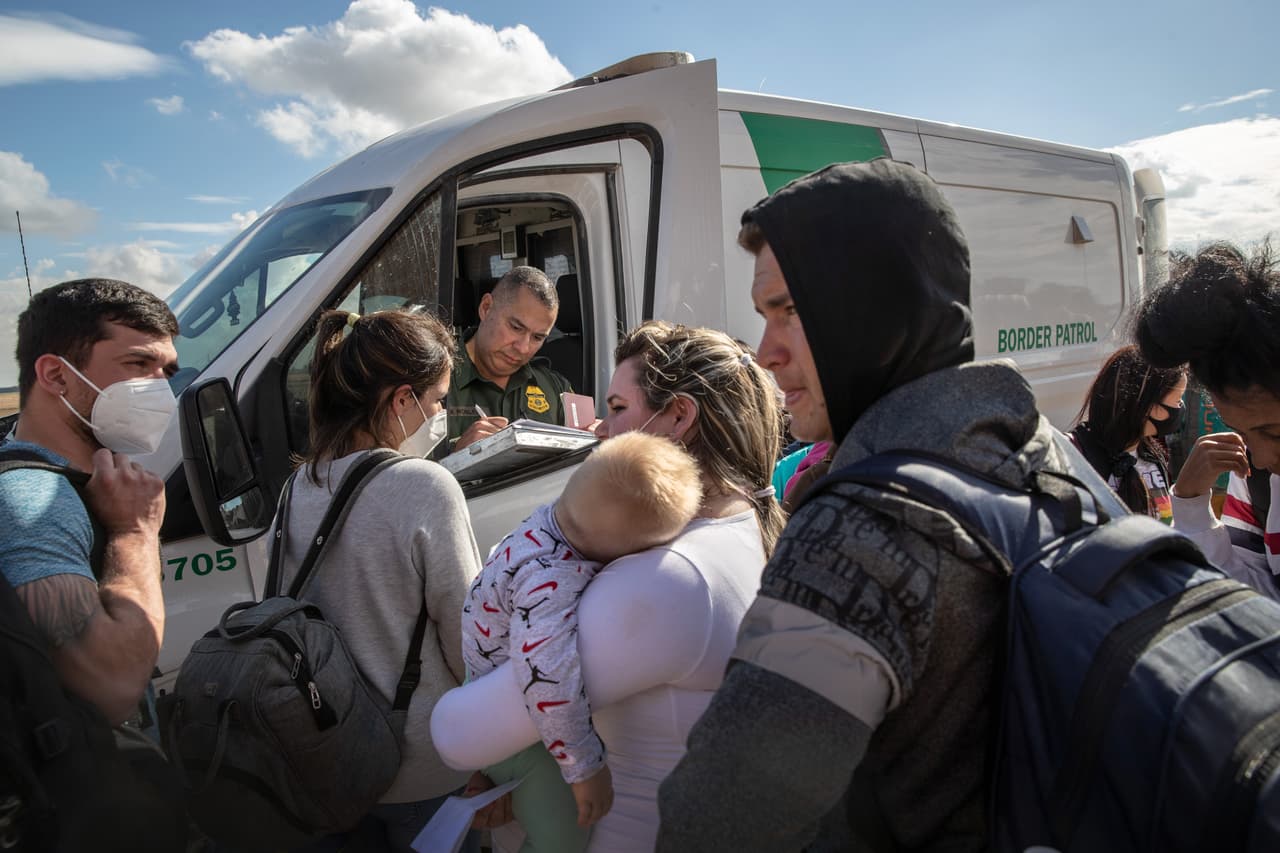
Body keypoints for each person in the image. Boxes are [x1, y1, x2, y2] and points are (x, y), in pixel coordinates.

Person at [654, 159, 1083, 851]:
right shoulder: (1037, 450)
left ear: (874, 306)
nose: (765, 352)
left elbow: (715, 821)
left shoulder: (857, 529)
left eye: (791, 311)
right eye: (764, 315)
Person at [430, 320, 785, 853]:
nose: (599, 429)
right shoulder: (743, 527)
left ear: (679, 416)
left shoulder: (667, 582)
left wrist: (513, 747)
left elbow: (455, 733)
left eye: (618, 409)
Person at [279, 307, 482, 852]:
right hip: (418, 762)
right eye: (438, 400)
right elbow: (470, 638)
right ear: (400, 401)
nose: (440, 414)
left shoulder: (299, 483)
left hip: (329, 755)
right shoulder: (424, 485)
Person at [462, 431, 702, 851]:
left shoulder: (549, 521)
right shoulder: (551, 581)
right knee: (565, 836)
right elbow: (549, 680)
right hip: (509, 726)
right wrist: (584, 768)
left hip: (482, 690)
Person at [1, 278, 177, 727]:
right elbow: (110, 687)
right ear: (56, 375)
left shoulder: (78, 478)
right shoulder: (31, 503)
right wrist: (134, 532)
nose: (160, 391)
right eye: (139, 363)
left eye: (167, 372)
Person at [1136, 240, 1280, 601]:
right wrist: (1191, 506)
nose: (1259, 458)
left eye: (1274, 432)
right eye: (1243, 433)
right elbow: (1251, 598)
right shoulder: (1257, 480)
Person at [448, 266, 574, 450]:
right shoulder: (433, 383)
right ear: (486, 308)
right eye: (516, 328)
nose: (523, 348)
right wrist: (455, 455)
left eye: (537, 337)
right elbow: (401, 470)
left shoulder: (556, 388)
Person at [1067, 345, 1188, 522]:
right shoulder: (1076, 455)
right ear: (1147, 406)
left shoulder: (1152, 456)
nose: (1180, 408)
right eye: (1177, 400)